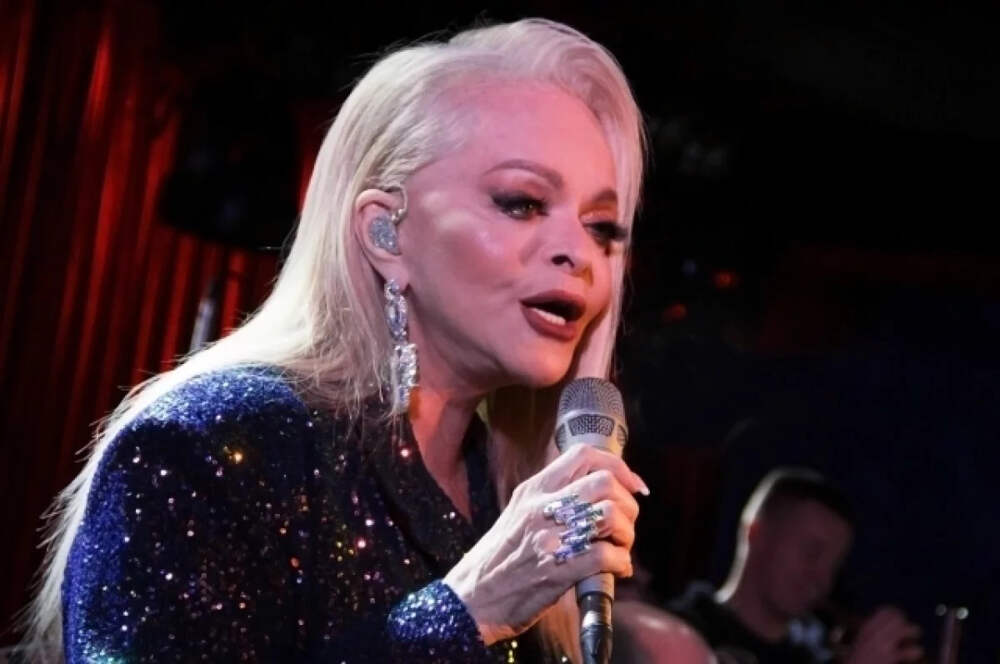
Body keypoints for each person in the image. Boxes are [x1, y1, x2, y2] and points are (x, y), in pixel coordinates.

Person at [24, 18, 649, 663]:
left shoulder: (507, 493)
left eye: (602, 227)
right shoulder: (208, 444)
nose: (580, 253)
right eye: (522, 202)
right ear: (385, 233)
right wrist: (464, 613)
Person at [670, 468, 924, 664]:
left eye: (834, 566)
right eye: (812, 552)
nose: (823, 579)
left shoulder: (816, 657)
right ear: (756, 533)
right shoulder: (678, 634)